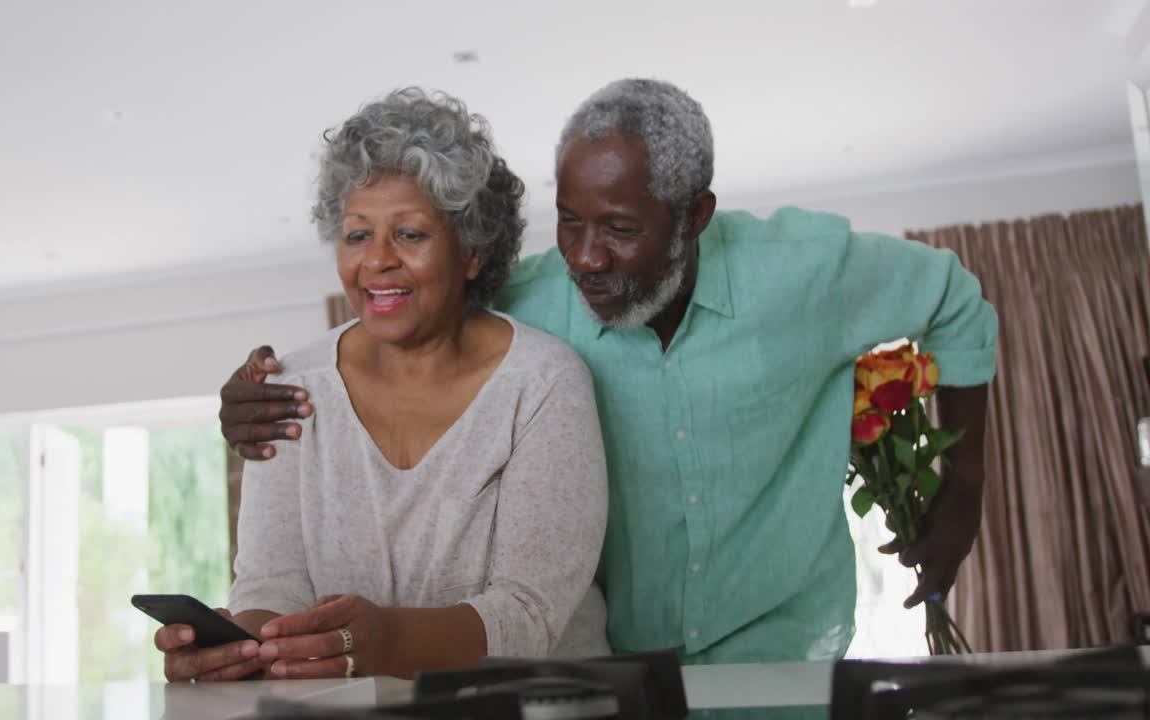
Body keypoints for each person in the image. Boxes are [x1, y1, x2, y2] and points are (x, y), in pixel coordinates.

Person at [220, 78, 998, 665]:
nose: (586, 258)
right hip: (622, 673)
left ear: (693, 215)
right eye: (569, 221)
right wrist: (249, 400)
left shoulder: (809, 270)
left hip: (782, 651)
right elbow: (414, 318)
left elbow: (958, 302)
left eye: (620, 229)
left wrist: (960, 496)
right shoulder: (526, 305)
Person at [155, 88, 611, 682]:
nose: (377, 261)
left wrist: (386, 638)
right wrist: (245, 646)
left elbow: (528, 615)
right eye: (357, 235)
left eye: (411, 235)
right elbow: (274, 583)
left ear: (472, 251)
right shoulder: (290, 387)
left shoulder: (544, 383)